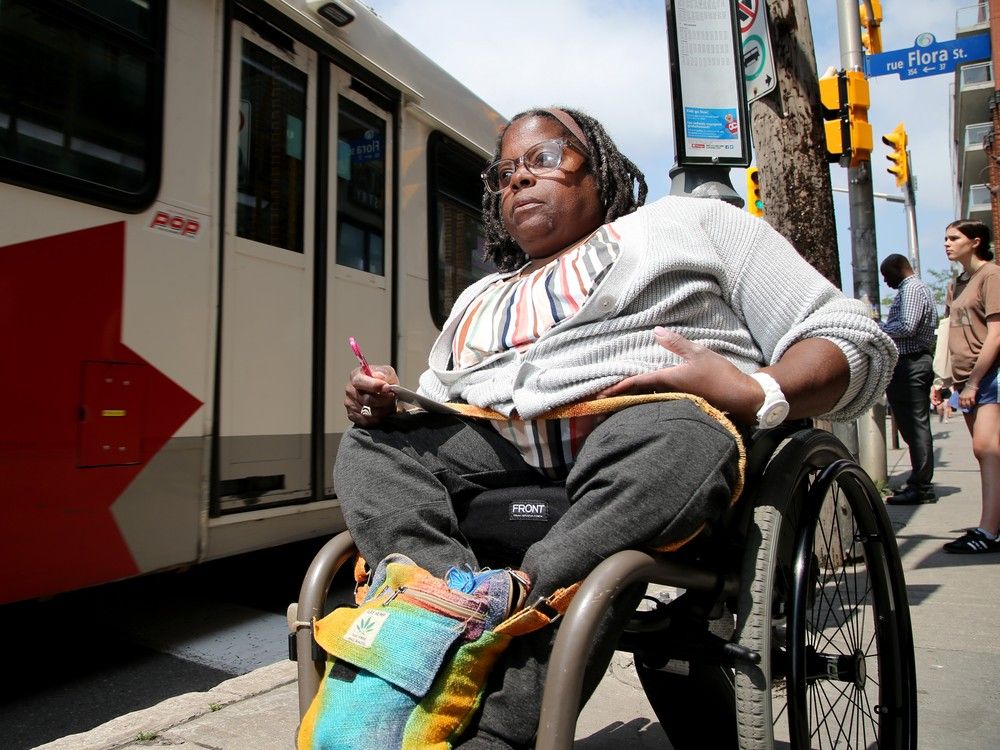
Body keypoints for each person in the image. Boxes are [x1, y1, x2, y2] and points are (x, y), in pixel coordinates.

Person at [334, 106, 896, 749]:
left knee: (674, 436)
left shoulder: (692, 223)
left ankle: (499, 715)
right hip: (498, 449)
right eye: (504, 173)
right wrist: (391, 405)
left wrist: (754, 388)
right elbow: (440, 405)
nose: (517, 180)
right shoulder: (479, 295)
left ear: (599, 169)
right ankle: (454, 611)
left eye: (543, 159)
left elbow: (852, 339)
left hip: (644, 430)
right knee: (372, 447)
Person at [940, 220, 1000, 553]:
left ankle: (988, 533)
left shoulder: (991, 276)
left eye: (954, 238)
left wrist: (975, 381)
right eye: (945, 239)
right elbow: (952, 334)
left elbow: (996, 333)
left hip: (989, 376)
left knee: (986, 449)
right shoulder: (957, 284)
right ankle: (992, 525)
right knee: (989, 455)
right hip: (964, 380)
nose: (947, 244)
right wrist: (946, 381)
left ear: (975, 242)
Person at [879, 254, 939, 504]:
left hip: (911, 363)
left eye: (886, 275)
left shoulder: (911, 289)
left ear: (897, 269)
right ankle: (920, 481)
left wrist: (877, 328)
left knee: (915, 426)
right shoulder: (916, 287)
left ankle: (921, 486)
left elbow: (907, 326)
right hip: (912, 362)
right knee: (913, 425)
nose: (885, 281)